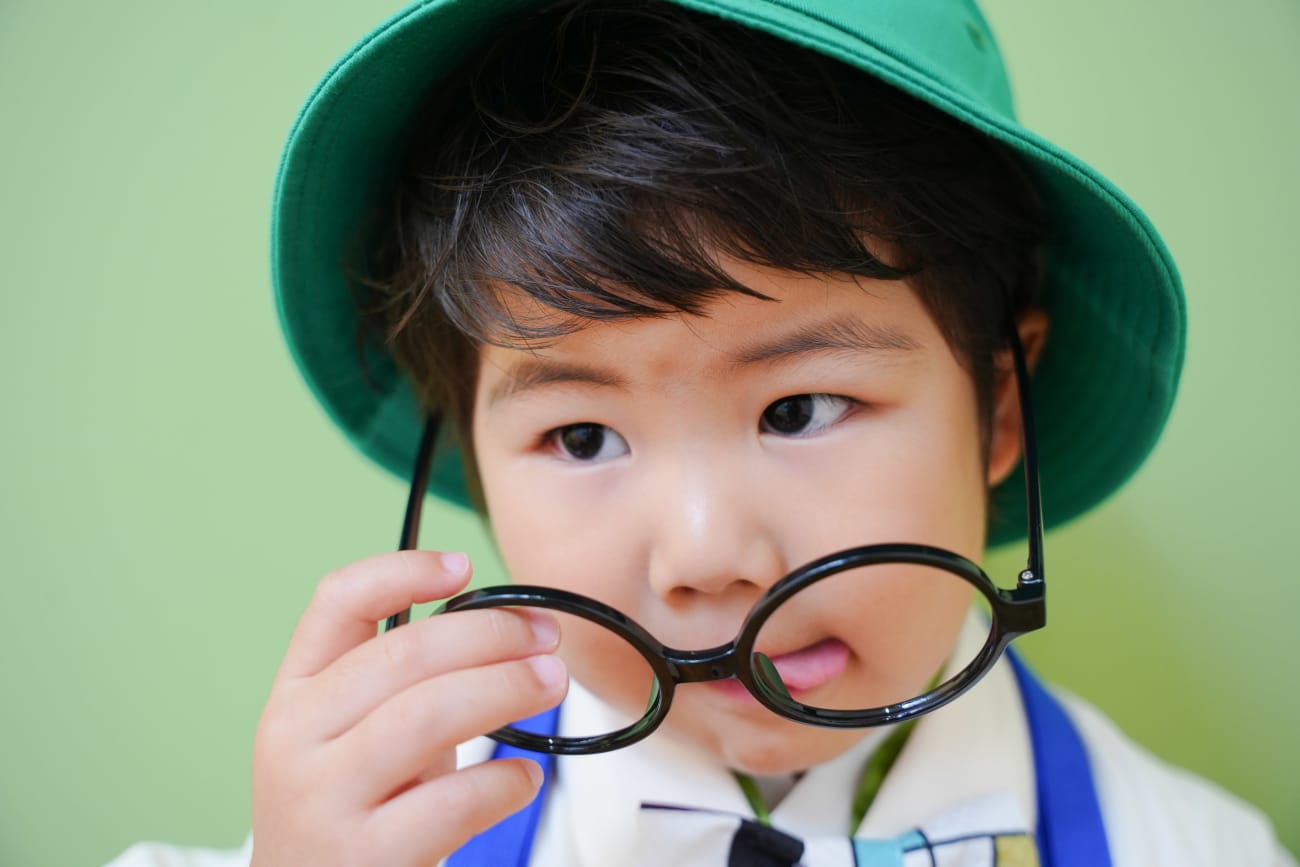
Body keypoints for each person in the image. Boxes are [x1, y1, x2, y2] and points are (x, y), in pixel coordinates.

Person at [108, 0, 1296, 865]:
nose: (703, 555)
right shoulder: (371, 841)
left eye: (798, 410)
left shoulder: (1194, 847)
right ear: (465, 456)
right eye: (583, 437)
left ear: (995, 411)